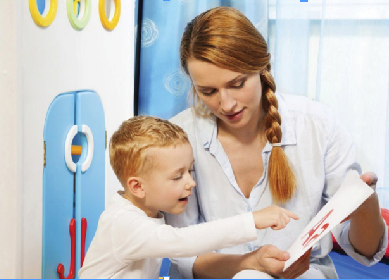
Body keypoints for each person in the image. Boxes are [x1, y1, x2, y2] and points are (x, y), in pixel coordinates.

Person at [164, 6, 388, 279]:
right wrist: (250, 264)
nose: (226, 104)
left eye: (237, 84)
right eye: (208, 92)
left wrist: (367, 204)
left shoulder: (317, 125)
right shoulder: (179, 138)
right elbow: (183, 252)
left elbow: (365, 252)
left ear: (260, 67)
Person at [78, 116, 299, 279]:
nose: (191, 182)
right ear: (137, 186)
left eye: (190, 171)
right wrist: (251, 220)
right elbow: (181, 241)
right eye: (177, 177)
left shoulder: (147, 213)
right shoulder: (123, 222)